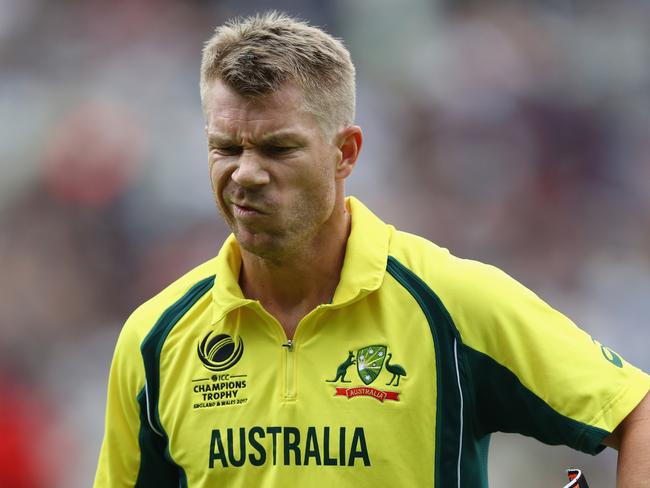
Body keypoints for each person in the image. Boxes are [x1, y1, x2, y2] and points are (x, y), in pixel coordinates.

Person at [94, 11, 650, 487]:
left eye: (278, 148)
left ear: (346, 152)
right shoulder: (154, 338)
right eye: (225, 147)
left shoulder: (451, 304)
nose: (247, 173)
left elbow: (637, 410)